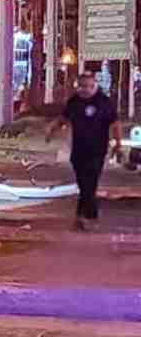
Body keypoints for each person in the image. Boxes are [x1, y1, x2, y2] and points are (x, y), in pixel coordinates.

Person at [46, 71, 125, 230]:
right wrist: (51, 131)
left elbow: (115, 123)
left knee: (91, 181)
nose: (85, 90)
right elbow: (63, 119)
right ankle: (86, 215)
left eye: (88, 86)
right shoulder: (74, 102)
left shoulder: (103, 102)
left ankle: (85, 216)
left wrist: (118, 144)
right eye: (82, 86)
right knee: (83, 182)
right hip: (78, 149)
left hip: (97, 149)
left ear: (94, 85)